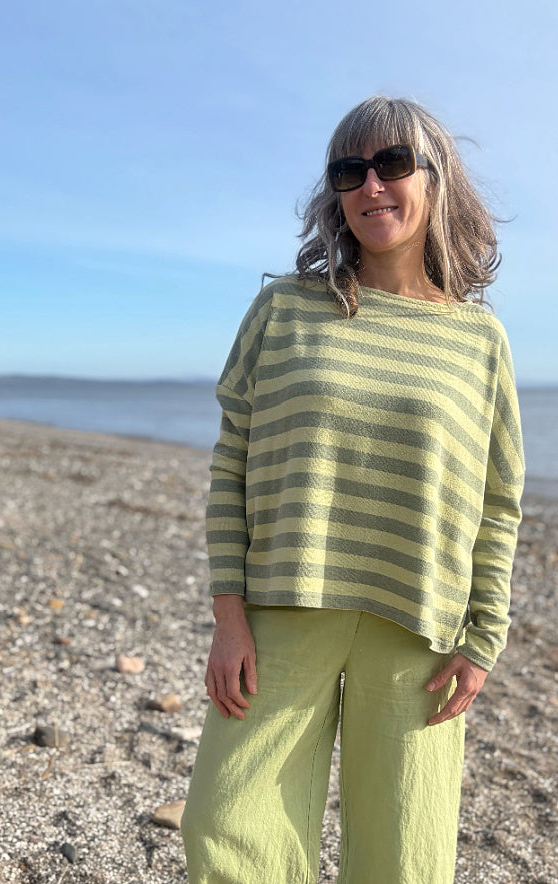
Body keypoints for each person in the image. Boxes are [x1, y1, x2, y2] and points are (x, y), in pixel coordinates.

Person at [180, 95, 525, 884]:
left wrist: (484, 638)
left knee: (404, 859)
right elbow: (230, 460)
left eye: (394, 165)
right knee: (226, 826)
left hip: (419, 625)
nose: (372, 185)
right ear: (335, 193)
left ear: (436, 182)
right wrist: (227, 614)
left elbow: (499, 500)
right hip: (282, 611)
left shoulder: (480, 339)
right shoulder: (283, 310)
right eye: (350, 169)